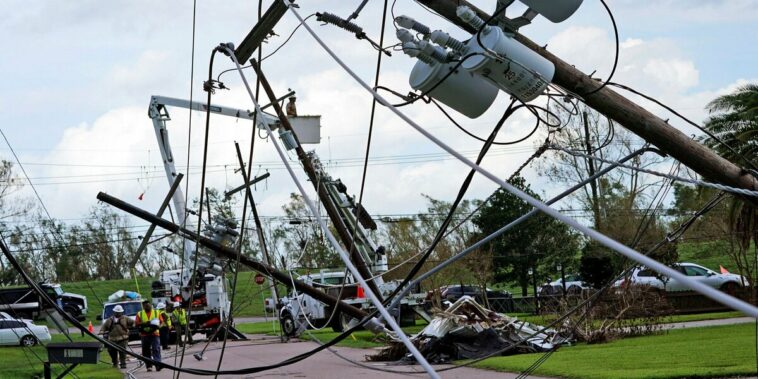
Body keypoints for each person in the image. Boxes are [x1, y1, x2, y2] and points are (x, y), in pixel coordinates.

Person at [101, 305, 134, 369]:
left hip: (123, 338)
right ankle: (115, 362)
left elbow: (133, 323)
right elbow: (104, 327)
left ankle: (123, 364)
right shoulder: (109, 320)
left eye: (119, 312)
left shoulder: (125, 318)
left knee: (122, 351)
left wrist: (130, 327)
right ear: (114, 312)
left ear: (121, 312)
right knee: (111, 351)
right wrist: (102, 332)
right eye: (116, 312)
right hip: (112, 339)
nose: (118, 313)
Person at [135, 300, 162, 372]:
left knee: (156, 349)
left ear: (151, 305)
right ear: (143, 306)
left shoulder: (157, 312)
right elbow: (136, 324)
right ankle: (149, 366)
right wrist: (144, 323)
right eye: (145, 305)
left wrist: (159, 326)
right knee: (146, 350)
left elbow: (161, 322)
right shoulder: (139, 314)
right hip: (144, 334)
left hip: (155, 334)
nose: (147, 306)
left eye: (148, 304)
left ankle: (158, 364)